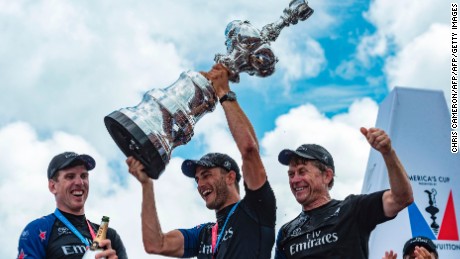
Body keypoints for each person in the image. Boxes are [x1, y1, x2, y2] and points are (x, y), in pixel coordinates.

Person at [127, 63, 276, 258]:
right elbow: (156, 244)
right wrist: (146, 185)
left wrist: (224, 92)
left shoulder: (256, 210)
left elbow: (249, 150)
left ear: (230, 177)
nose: (200, 184)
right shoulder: (204, 234)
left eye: (206, 175)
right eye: (197, 179)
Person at [274, 127, 414, 258]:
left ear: (327, 176)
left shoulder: (352, 209)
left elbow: (401, 198)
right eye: (291, 174)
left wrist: (388, 153)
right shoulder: (287, 232)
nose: (295, 180)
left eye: (302, 172)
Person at [17, 151, 127, 259]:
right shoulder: (37, 229)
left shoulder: (109, 235)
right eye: (70, 176)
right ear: (53, 186)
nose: (80, 182)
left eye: (84, 176)